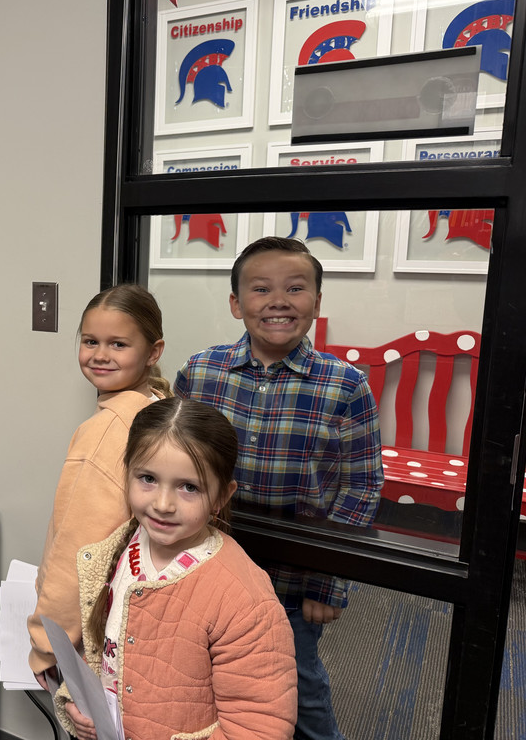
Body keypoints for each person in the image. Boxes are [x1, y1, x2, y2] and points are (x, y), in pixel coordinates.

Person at [174, 236, 384, 740]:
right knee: (204, 680)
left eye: (295, 288)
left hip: (292, 580)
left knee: (295, 690)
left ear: (317, 301)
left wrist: (328, 583)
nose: (278, 301)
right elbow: (173, 464)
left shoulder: (345, 385)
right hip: (206, 567)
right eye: (261, 288)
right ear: (236, 303)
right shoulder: (201, 372)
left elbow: (360, 487)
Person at [55, 397, 298, 740]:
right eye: (148, 478)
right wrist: (79, 700)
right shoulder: (119, 547)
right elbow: (102, 650)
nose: (163, 504)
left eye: (189, 487)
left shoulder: (244, 599)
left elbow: (259, 727)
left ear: (221, 496)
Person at [28, 284, 168, 686]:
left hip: (95, 626)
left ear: (153, 352)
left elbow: (79, 550)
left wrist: (47, 647)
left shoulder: (107, 432)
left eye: (118, 344)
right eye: (91, 341)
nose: (100, 355)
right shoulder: (155, 403)